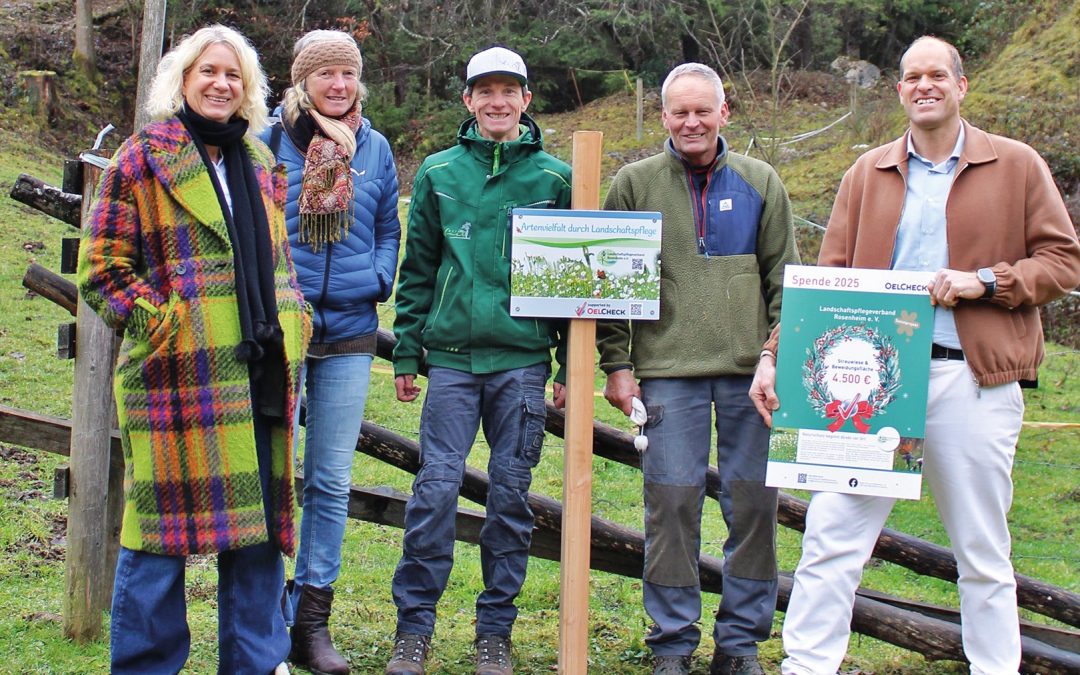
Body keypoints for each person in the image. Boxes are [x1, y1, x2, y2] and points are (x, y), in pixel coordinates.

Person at [750, 36, 1080, 675]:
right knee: (830, 539)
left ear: (961, 85)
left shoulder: (1015, 165)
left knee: (982, 549)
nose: (924, 85)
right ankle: (805, 667)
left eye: (937, 75)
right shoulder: (865, 173)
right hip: (867, 388)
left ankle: (994, 669)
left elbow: (1063, 262)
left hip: (972, 380)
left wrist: (984, 281)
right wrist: (774, 356)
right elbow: (829, 281)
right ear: (899, 90)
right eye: (911, 77)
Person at [76, 24, 311, 674]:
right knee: (158, 541)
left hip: (262, 375)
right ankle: (147, 664)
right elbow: (102, 267)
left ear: (248, 91)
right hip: (177, 380)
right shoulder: (142, 156)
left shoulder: (263, 164)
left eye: (233, 75)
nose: (220, 83)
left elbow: (277, 263)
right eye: (208, 71)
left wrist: (297, 318)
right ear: (181, 80)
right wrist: (163, 325)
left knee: (260, 539)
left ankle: (257, 663)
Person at [597, 63, 799, 675]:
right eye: (679, 112)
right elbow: (607, 284)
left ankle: (739, 644)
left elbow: (785, 282)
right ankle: (672, 643)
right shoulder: (633, 184)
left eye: (702, 110)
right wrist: (617, 364)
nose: (691, 122)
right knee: (672, 505)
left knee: (754, 507)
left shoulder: (761, 181)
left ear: (723, 112)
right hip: (666, 375)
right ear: (663, 117)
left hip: (751, 379)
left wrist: (775, 356)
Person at [386, 45, 570, 675]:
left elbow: (580, 285)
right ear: (467, 101)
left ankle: (495, 631)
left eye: (508, 91)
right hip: (454, 363)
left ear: (525, 100)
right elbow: (417, 272)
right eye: (484, 91)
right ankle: (414, 628)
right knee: (435, 489)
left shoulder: (555, 180)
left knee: (510, 496)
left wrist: (571, 370)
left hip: (521, 362)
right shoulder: (439, 173)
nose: (497, 102)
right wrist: (407, 350)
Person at [260, 29, 401, 675]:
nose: (338, 85)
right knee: (274, 474)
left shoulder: (374, 146)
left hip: (349, 329)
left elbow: (388, 229)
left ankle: (310, 624)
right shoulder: (266, 139)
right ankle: (264, 618)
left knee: (330, 480)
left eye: (348, 73)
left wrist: (376, 277)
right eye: (326, 74)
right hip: (280, 329)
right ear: (302, 80)